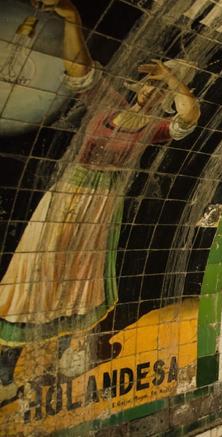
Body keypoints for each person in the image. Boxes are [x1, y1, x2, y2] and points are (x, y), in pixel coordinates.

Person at [0, 0, 200, 402]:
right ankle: (6, 362)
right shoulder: (108, 103)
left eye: (162, 89)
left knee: (79, 280)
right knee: (36, 268)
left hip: (103, 206)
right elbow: (80, 69)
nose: (152, 91)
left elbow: (189, 118)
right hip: (69, 196)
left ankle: (58, 356)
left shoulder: (156, 128)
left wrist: (176, 82)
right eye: (151, 83)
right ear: (139, 85)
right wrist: (71, 17)